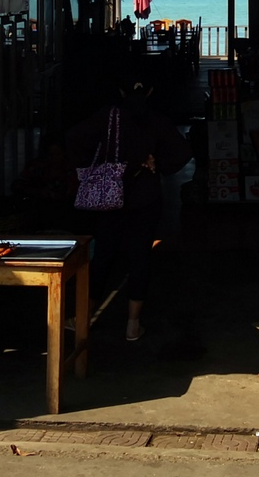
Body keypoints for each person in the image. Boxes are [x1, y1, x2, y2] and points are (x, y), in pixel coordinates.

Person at [67, 77, 192, 341]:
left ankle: (83, 318)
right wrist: (157, 164)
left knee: (103, 256)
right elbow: (182, 152)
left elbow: (74, 138)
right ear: (150, 91)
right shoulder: (157, 119)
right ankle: (133, 325)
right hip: (146, 198)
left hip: (110, 199)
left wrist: (95, 164)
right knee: (140, 258)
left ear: (121, 91)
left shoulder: (107, 117)